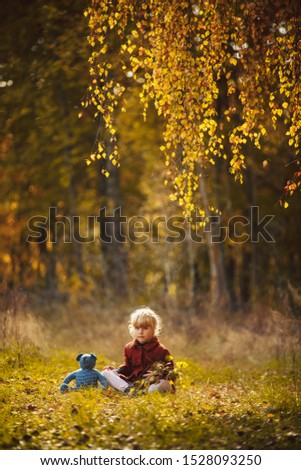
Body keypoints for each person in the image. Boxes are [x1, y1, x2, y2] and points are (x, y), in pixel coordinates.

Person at [102, 307, 174, 393]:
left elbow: (170, 370)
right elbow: (127, 367)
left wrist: (158, 375)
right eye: (137, 328)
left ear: (154, 329)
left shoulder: (161, 350)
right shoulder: (129, 348)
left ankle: (143, 392)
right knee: (105, 373)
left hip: (151, 384)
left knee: (163, 383)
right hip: (133, 383)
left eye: (145, 328)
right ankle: (128, 390)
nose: (140, 332)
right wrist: (117, 370)